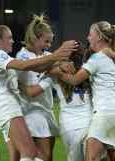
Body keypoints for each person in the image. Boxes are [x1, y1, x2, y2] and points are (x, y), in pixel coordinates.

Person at [0, 22, 78, 161]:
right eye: (9, 38)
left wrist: (58, 62)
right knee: (29, 153)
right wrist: (56, 58)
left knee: (29, 154)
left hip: (13, 107)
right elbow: (24, 66)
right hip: (10, 107)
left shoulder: (3, 57)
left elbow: (36, 68)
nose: (13, 40)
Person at [48, 21, 115, 161]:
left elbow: (73, 80)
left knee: (90, 158)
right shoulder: (110, 56)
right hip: (108, 114)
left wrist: (57, 70)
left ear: (99, 37)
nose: (88, 38)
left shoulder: (96, 59)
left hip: (103, 114)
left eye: (90, 35)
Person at [11, 14, 59, 161]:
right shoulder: (23, 57)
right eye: (46, 41)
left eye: (51, 42)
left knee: (46, 157)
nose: (49, 45)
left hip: (46, 110)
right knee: (42, 157)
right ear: (34, 38)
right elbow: (32, 91)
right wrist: (50, 77)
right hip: (32, 111)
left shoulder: (48, 55)